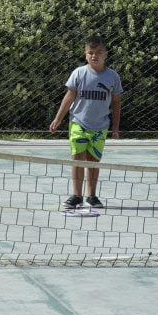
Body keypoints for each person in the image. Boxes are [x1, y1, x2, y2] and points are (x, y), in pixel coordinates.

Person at [49, 35, 123, 209]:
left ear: (106, 54)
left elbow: (117, 102)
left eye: (98, 52)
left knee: (93, 161)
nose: (94, 56)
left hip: (100, 127)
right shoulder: (79, 73)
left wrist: (115, 127)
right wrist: (58, 118)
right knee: (77, 159)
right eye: (90, 53)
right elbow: (69, 97)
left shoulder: (113, 77)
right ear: (85, 54)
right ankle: (76, 195)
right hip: (78, 124)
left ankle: (92, 196)